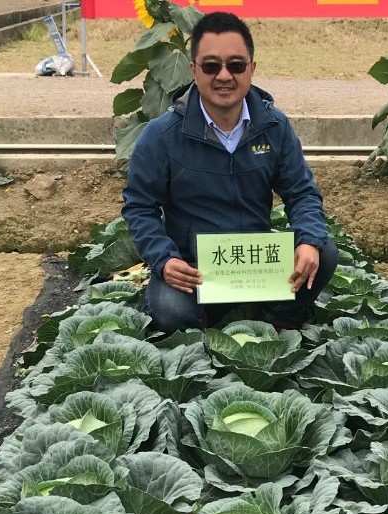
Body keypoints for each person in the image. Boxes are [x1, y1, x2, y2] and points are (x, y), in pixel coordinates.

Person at [121, 11, 339, 335]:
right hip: (193, 267)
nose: (224, 76)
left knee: (324, 252)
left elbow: (302, 192)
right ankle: (205, 317)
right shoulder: (161, 135)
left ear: (252, 68)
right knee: (169, 311)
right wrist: (164, 260)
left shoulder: (274, 127)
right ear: (193, 70)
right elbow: (139, 206)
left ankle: (277, 317)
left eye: (236, 65)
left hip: (256, 262)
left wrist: (307, 240)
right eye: (211, 66)